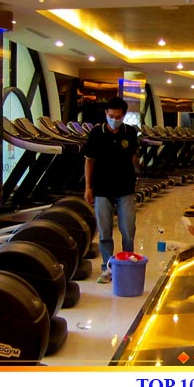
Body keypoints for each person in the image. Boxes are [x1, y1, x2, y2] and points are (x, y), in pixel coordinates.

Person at [83, 97, 139, 283]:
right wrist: (88, 187)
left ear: (124, 115)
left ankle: (128, 264)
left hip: (125, 188)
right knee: (105, 232)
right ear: (106, 114)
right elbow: (89, 161)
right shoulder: (96, 133)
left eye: (118, 116)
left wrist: (135, 175)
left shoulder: (130, 132)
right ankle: (107, 268)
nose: (114, 119)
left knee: (128, 230)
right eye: (111, 116)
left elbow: (133, 157)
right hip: (102, 188)